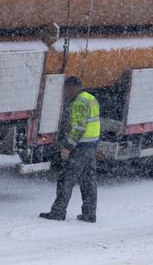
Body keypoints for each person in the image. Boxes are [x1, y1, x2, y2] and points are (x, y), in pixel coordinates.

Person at [39, 76, 100, 223]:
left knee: (66, 180)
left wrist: (67, 147)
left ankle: (58, 212)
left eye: (66, 89)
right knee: (88, 181)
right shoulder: (90, 98)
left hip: (80, 147)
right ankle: (89, 214)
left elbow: (79, 127)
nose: (65, 93)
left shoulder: (79, 102)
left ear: (73, 88)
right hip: (92, 146)